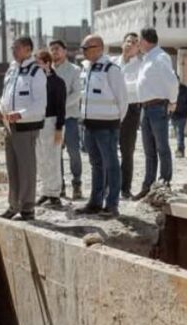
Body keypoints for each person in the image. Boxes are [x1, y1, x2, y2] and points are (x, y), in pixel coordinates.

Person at [74, 34, 126, 218]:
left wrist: (116, 122)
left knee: (111, 165)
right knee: (96, 164)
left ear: (98, 48)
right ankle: (95, 202)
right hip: (89, 125)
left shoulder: (111, 69)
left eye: (86, 48)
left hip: (107, 126)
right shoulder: (86, 68)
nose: (83, 52)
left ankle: (112, 205)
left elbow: (122, 100)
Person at [0, 37, 47, 221]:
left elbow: (40, 104)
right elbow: (5, 95)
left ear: (27, 49)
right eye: (13, 47)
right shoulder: (12, 70)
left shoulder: (36, 72)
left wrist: (21, 114)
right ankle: (13, 204)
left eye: (16, 48)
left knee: (26, 168)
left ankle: (27, 207)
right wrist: (1, 108)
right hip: (9, 125)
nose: (13, 50)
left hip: (26, 126)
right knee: (12, 168)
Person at [133, 27, 178, 200]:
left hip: (158, 107)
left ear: (145, 41)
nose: (138, 44)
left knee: (162, 147)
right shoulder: (147, 58)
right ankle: (148, 185)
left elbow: (172, 81)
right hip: (145, 108)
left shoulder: (160, 57)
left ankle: (164, 182)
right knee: (149, 150)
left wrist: (173, 101)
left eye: (139, 40)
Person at [48, 40, 83, 200]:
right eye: (52, 49)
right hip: (52, 119)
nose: (54, 52)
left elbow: (77, 93)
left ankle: (77, 183)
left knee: (73, 152)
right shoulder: (47, 71)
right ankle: (59, 185)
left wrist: (60, 106)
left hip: (69, 117)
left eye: (57, 49)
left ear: (65, 51)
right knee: (56, 154)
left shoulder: (74, 70)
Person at [35, 49, 67, 208]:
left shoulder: (58, 82)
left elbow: (61, 107)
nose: (36, 67)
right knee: (41, 159)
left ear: (47, 63)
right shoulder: (36, 81)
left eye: (39, 63)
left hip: (52, 122)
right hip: (38, 122)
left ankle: (55, 193)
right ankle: (45, 191)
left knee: (53, 159)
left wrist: (59, 128)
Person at [116, 32, 141, 199]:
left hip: (131, 110)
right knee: (109, 150)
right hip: (112, 109)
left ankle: (125, 188)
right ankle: (109, 186)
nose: (129, 45)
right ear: (122, 44)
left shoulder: (140, 65)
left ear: (138, 48)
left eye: (134, 43)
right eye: (128, 41)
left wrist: (119, 86)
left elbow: (138, 87)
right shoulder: (112, 63)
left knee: (127, 151)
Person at [172, 78, 187, 158]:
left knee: (180, 131)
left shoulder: (186, 89)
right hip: (173, 114)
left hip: (183, 114)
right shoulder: (171, 89)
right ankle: (181, 148)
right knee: (177, 132)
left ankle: (180, 149)